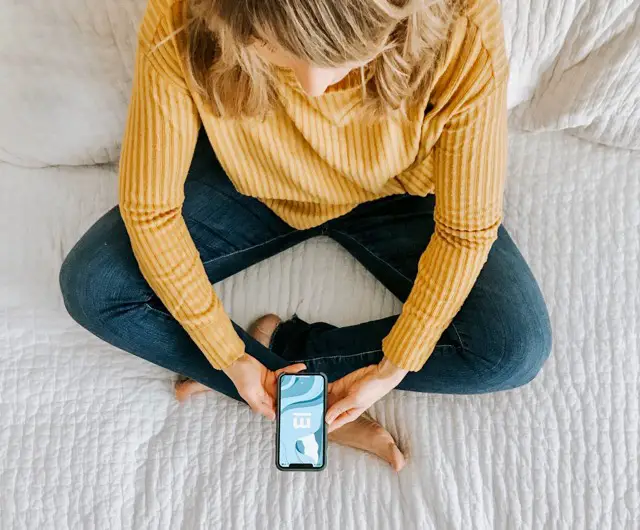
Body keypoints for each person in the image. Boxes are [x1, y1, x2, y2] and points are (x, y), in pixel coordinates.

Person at [59, 0, 552, 471]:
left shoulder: (462, 24)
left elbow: (466, 232)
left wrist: (391, 368)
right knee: (94, 285)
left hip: (400, 192)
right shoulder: (183, 17)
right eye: (274, 50)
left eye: (343, 57)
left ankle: (292, 360)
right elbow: (150, 210)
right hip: (253, 182)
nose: (313, 87)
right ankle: (301, 404)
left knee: (512, 348)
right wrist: (227, 356)